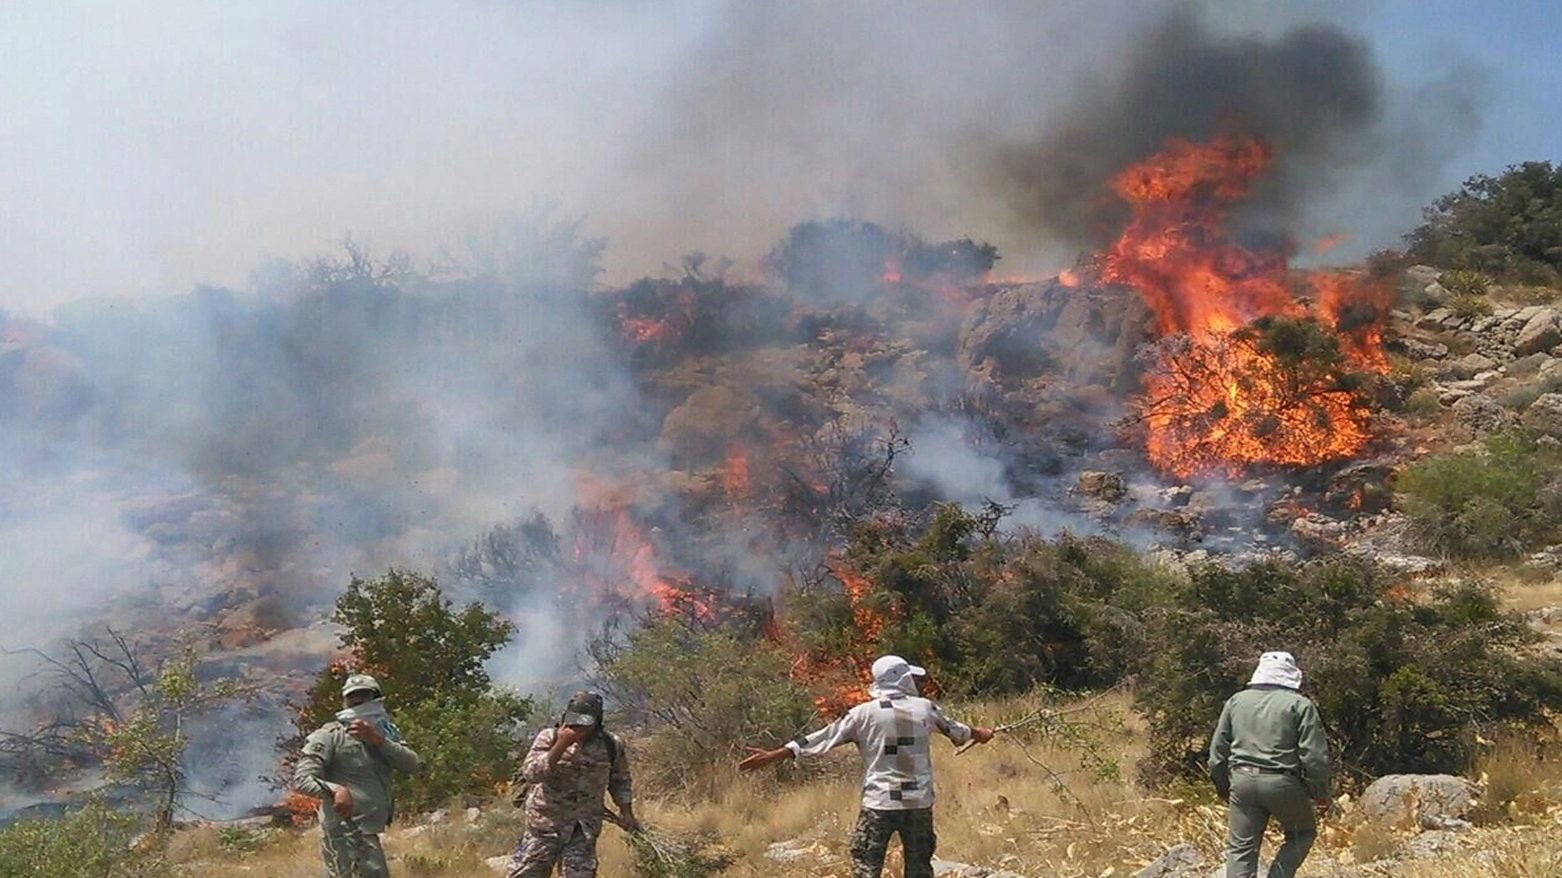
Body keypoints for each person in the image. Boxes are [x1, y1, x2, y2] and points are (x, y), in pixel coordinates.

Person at [738, 655, 994, 878]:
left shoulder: (862, 713)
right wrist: (981, 733)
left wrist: (774, 755)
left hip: (879, 803)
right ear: (903, 679)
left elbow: (821, 739)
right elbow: (958, 731)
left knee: (865, 869)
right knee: (919, 870)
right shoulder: (925, 708)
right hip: (918, 803)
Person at [1208, 651, 1331, 878]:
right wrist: (1319, 792)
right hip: (1281, 782)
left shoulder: (1236, 701)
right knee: (1302, 833)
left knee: (1241, 849)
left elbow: (1217, 752)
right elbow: (1313, 756)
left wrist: (1223, 786)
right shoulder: (1300, 705)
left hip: (1242, 780)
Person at [293, 673, 422, 878]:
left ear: (376, 698)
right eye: (351, 697)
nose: (357, 701)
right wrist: (335, 790)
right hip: (344, 830)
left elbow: (411, 764)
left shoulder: (385, 732)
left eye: (364, 695)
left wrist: (378, 741)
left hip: (368, 829)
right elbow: (302, 779)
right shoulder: (330, 735)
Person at [507, 691, 637, 878]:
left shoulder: (610, 744)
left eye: (586, 720)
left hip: (583, 828)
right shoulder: (549, 737)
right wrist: (561, 744)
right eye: (574, 718)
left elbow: (620, 780)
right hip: (545, 825)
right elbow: (531, 774)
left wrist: (626, 813)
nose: (579, 724)